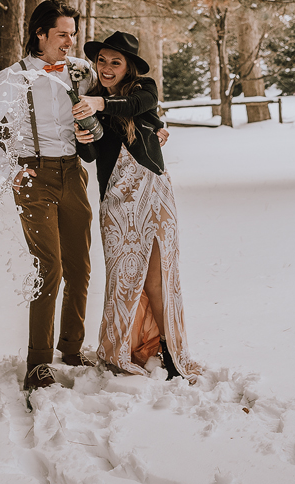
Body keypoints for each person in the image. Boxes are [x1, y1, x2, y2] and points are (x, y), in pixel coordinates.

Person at [0, 0, 97, 391]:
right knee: (50, 267)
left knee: (80, 266)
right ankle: (38, 362)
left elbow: (111, 105)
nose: (70, 42)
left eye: (73, 34)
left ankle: (72, 348)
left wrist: (152, 128)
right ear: (40, 34)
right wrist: (12, 169)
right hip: (34, 177)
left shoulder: (82, 72)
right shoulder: (12, 78)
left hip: (73, 174)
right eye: (62, 34)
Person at [72, 30, 201, 380]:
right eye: (102, 61)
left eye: (116, 62)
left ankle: (173, 353)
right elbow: (90, 154)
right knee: (123, 278)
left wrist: (100, 105)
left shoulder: (144, 90)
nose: (107, 68)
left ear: (129, 67)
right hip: (116, 198)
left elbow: (136, 107)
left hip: (154, 193)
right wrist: (82, 136)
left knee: (160, 277)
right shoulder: (89, 101)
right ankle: (121, 348)